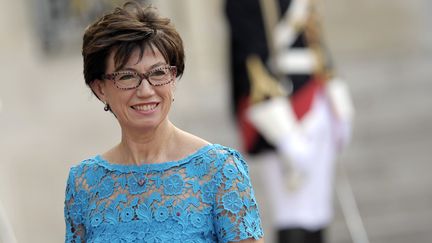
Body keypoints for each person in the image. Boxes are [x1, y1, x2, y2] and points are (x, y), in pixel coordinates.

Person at [64, 1, 264, 242]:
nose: (146, 90)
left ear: (173, 79)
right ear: (100, 89)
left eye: (158, 73)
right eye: (127, 76)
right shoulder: (84, 183)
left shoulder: (221, 171)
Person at [225, 0, 353, 242]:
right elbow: (250, 61)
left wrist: (339, 103)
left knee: (318, 213)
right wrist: (284, 133)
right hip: (279, 114)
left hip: (317, 104)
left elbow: (316, 46)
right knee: (293, 215)